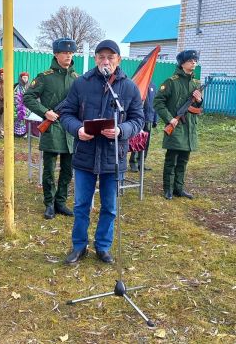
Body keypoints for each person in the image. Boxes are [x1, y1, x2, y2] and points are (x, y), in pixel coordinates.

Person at [59, 40, 144, 265]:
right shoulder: (82, 84)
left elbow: (138, 119)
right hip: (85, 154)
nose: (105, 61)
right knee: (81, 205)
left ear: (118, 60)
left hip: (113, 155)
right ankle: (79, 246)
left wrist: (120, 130)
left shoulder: (129, 87)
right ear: (96, 59)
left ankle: (103, 246)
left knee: (110, 206)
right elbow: (66, 113)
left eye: (110, 57)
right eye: (101, 57)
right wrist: (77, 129)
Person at [23, 38, 79, 219]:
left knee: (67, 169)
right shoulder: (45, 77)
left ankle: (60, 202)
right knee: (48, 169)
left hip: (70, 130)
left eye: (71, 53)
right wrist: (45, 112)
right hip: (52, 127)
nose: (68, 56)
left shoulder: (77, 79)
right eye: (64, 53)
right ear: (56, 54)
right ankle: (49, 203)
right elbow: (28, 97)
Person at [153, 50, 203, 200]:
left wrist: (199, 100)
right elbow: (158, 102)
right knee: (171, 160)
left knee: (183, 160)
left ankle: (178, 189)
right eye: (190, 60)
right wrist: (170, 119)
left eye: (195, 60)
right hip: (175, 126)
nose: (194, 62)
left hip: (189, 128)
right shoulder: (171, 82)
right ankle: (168, 189)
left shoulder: (196, 83)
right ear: (182, 63)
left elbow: (199, 109)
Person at [129, 81, 158, 172]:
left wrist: (155, 119)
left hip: (149, 118)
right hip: (139, 118)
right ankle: (133, 162)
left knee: (146, 143)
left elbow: (155, 103)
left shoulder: (153, 85)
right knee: (137, 140)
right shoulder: (140, 83)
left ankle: (141, 163)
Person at [14, 72, 31, 137]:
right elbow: (15, 95)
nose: (25, 79)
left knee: (26, 119)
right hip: (19, 106)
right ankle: (17, 133)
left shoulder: (30, 86)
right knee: (18, 119)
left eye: (26, 78)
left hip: (27, 106)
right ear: (21, 78)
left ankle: (25, 133)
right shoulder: (17, 86)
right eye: (24, 77)